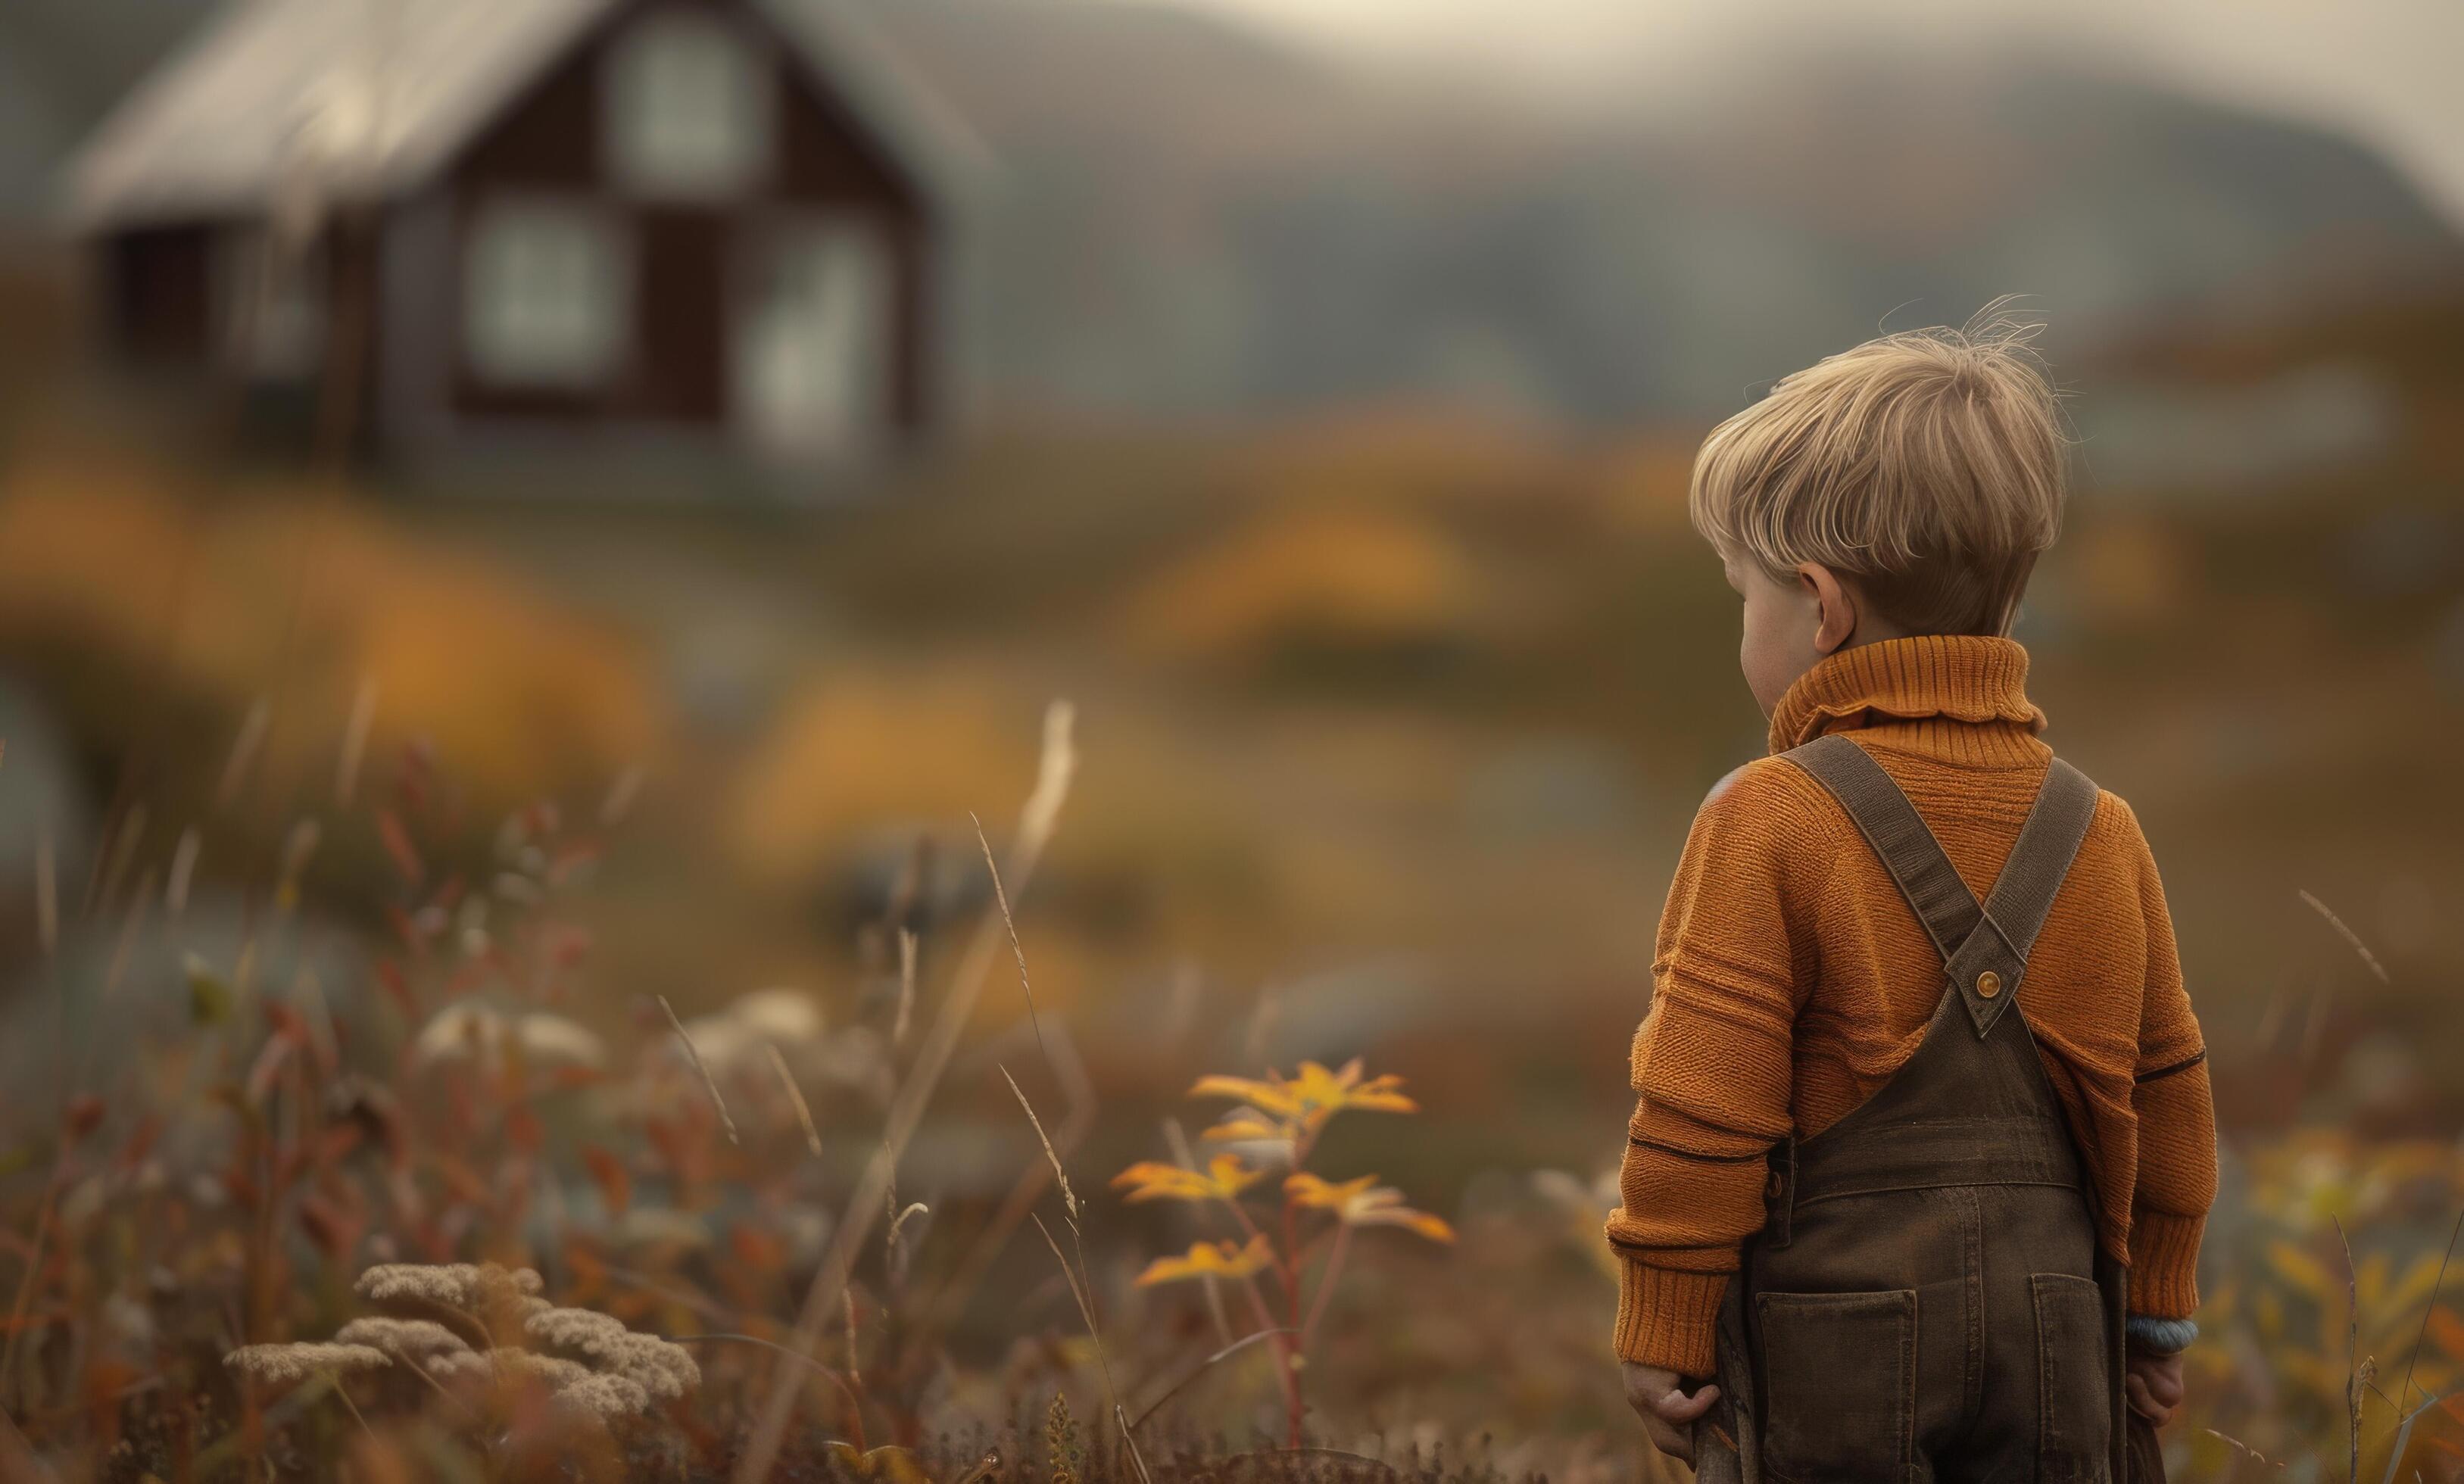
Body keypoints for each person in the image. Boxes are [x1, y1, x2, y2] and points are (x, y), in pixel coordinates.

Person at [1605, 308, 2216, 1481]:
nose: (1745, 626)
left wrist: (1664, 1322)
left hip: (1837, 1333)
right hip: (2058, 1331)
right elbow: (2166, 1097)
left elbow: (1699, 1103)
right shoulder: (2100, 829)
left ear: (1819, 606)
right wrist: (2150, 1315)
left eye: (1745, 596)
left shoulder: (1767, 814)